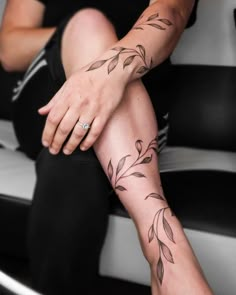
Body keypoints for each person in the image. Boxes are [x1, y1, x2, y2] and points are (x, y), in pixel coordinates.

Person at [0, 0, 214, 294]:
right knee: (89, 23)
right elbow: (10, 49)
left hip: (140, 104)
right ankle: (170, 256)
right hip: (48, 91)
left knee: (70, 164)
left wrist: (107, 73)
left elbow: (172, 11)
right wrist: (83, 39)